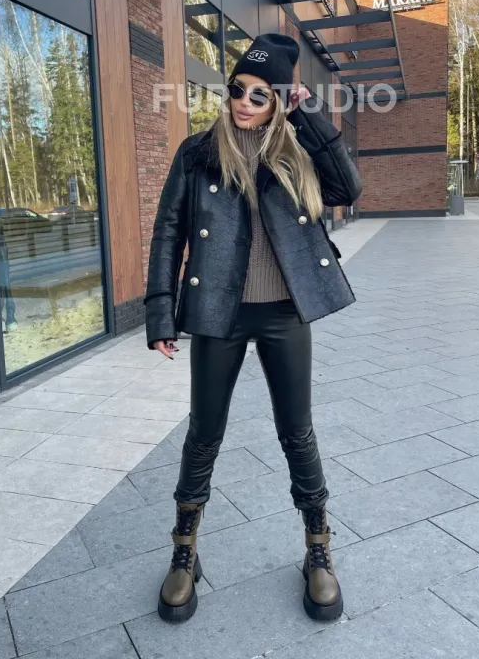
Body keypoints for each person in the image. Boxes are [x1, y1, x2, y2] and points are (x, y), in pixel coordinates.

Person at [144, 33, 363, 624]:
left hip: (284, 312)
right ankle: (184, 551)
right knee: (204, 433)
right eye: (237, 90)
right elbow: (168, 233)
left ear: (280, 100)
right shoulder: (197, 153)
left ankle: (318, 550)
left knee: (297, 432)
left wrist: (306, 117)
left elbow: (347, 189)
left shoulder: (297, 152)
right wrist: (161, 313)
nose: (243, 102)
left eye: (260, 95)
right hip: (219, 314)